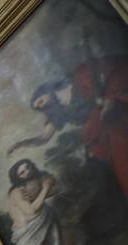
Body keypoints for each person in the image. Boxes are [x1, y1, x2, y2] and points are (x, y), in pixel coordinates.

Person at [8, 58, 128, 199]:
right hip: (102, 130)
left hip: (117, 113)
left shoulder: (78, 78)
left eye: (40, 101)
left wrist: (108, 101)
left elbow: (113, 73)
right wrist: (21, 143)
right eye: (40, 107)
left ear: (45, 91)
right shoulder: (58, 113)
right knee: (119, 160)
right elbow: (43, 138)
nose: (43, 106)